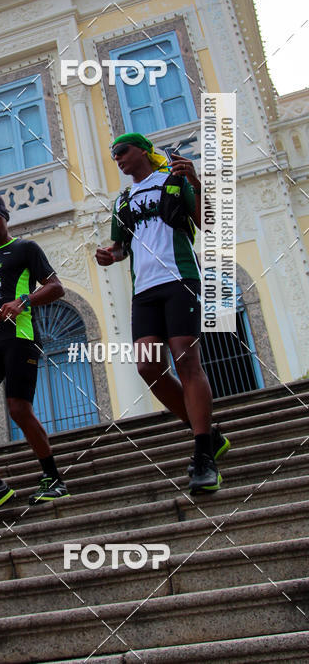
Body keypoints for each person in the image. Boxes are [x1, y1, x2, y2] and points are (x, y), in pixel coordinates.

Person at [95, 133, 229, 494]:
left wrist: (196, 182)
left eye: (122, 151)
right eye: (114, 156)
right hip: (144, 289)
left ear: (142, 150)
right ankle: (208, 435)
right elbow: (122, 248)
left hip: (180, 277)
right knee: (147, 367)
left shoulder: (174, 181)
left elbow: (209, 225)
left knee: (186, 357)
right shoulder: (122, 200)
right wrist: (110, 255)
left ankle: (204, 457)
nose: (118, 158)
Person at [0, 190, 70, 520]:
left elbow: (56, 287)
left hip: (20, 337)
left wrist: (23, 301)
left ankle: (53, 477)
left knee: (19, 408)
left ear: (6, 219)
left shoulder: (25, 249)